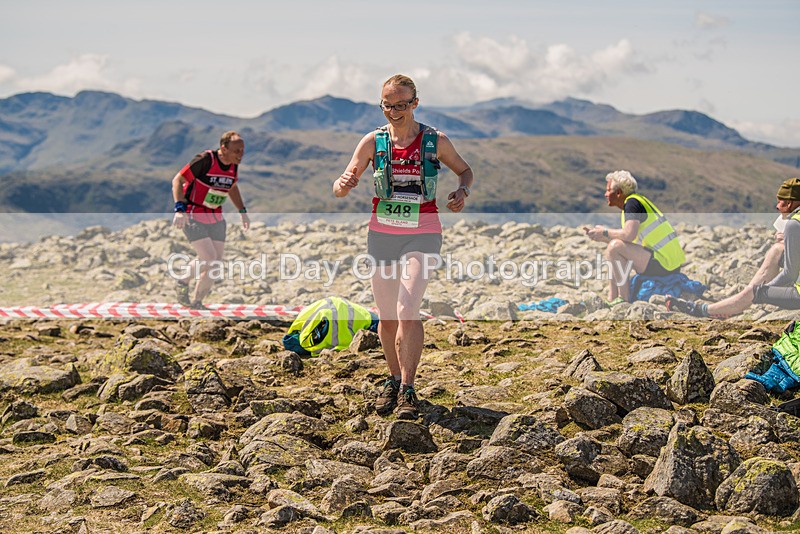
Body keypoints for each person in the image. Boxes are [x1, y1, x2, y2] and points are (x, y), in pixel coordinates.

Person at [333, 74, 474, 419]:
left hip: (422, 232)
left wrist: (462, 191)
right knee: (388, 316)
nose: (394, 112)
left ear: (415, 104)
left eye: (401, 105)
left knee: (408, 307)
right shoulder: (373, 141)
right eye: (387, 105)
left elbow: (465, 170)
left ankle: (409, 388)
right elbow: (340, 186)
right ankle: (394, 379)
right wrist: (344, 183)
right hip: (382, 234)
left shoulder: (435, 140)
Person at [667, 177, 800, 317]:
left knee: (753, 291)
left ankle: (704, 310)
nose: (777, 206)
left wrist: (761, 291)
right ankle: (730, 305)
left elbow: (789, 274)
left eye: (780, 201)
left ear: (789, 203)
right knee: (777, 250)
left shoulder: (793, 224)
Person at [171, 131, 250, 309]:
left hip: (216, 217)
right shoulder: (205, 160)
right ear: (224, 148)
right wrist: (179, 209)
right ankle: (182, 282)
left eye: (242, 150)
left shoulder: (233, 165)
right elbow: (177, 180)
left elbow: (232, 187)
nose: (241, 154)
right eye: (236, 151)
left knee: (216, 263)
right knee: (208, 257)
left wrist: (242, 211)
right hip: (193, 214)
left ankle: (197, 302)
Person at [584, 170, 685, 304]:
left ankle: (623, 299)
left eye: (608, 190)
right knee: (612, 248)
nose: (605, 194)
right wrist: (601, 236)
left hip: (664, 263)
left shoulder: (632, 203)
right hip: (668, 261)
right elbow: (629, 241)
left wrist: (605, 232)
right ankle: (612, 298)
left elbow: (629, 235)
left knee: (614, 247)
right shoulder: (636, 201)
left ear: (618, 192)